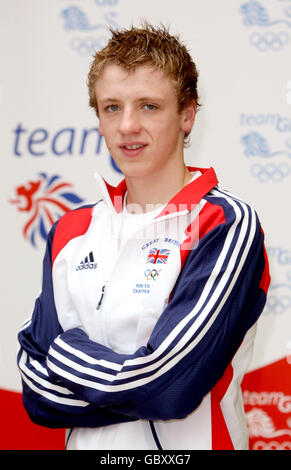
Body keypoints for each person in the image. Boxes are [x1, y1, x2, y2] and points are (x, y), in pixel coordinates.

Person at [17, 23, 270, 450]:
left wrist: (63, 352)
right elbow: (37, 395)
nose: (127, 125)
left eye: (149, 106)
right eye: (112, 107)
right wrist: (139, 383)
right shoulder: (71, 230)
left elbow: (171, 387)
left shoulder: (224, 223)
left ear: (187, 114)